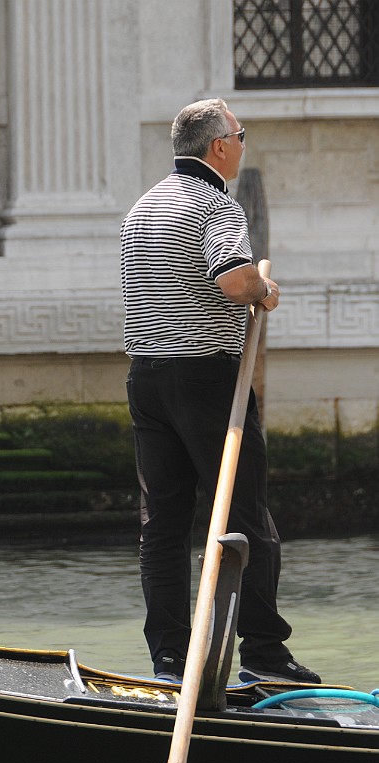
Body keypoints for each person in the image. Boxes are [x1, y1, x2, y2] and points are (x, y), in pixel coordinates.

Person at [119, 98, 320, 685]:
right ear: (218, 147)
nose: (243, 142)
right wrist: (264, 289)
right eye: (241, 133)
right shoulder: (215, 203)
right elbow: (231, 277)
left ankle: (170, 658)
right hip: (206, 378)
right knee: (245, 515)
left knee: (163, 523)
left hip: (147, 379)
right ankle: (264, 654)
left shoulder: (143, 205)